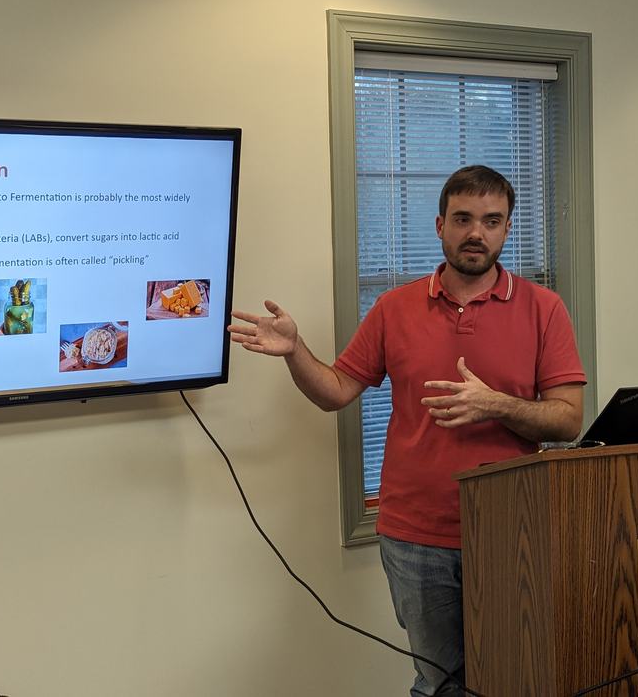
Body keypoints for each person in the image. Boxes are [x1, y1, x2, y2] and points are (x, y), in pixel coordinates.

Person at [228, 165, 586, 696]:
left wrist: (497, 404)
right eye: (463, 219)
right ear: (440, 224)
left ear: (508, 230)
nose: (476, 233)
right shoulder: (395, 308)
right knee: (440, 684)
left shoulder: (544, 309)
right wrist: (294, 350)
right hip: (417, 535)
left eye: (492, 221)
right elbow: (336, 392)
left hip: (514, 529)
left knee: (520, 674)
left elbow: (569, 418)